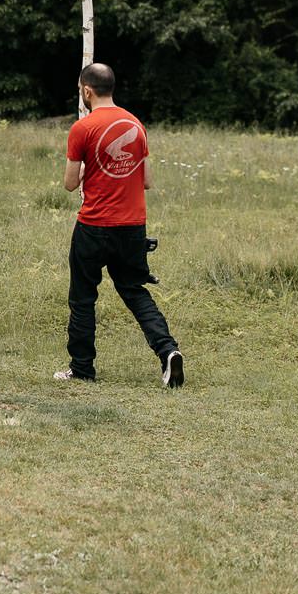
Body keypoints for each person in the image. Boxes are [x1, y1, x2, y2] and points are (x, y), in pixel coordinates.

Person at [58, 63, 184, 388]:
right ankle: (168, 352)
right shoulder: (136, 125)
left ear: (87, 90)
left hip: (94, 226)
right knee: (135, 291)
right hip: (132, 227)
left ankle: (82, 368)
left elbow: (70, 184)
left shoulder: (82, 128)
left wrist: (89, 170)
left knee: (83, 298)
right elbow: (148, 181)